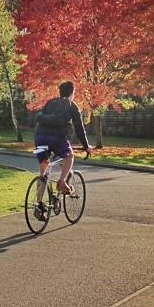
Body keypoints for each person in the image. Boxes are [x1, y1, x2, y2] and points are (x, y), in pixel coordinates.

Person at [32, 80, 91, 219]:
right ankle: (62, 181)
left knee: (43, 171)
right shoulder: (72, 106)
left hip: (39, 137)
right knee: (69, 155)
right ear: (72, 93)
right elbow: (79, 128)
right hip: (57, 138)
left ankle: (39, 206)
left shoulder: (50, 102)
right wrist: (86, 146)